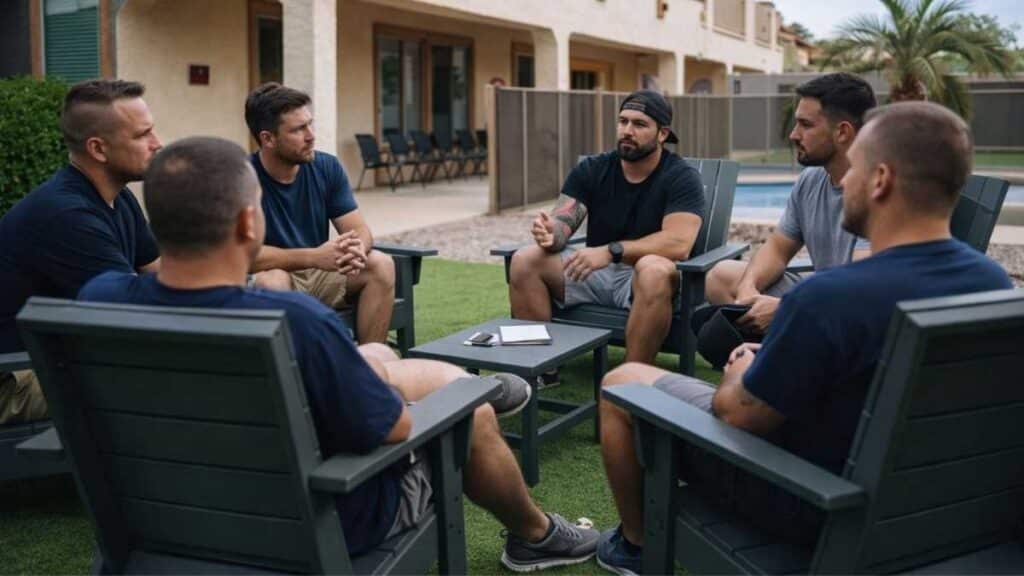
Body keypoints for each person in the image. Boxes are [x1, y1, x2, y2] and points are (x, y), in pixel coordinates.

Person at [78, 137, 600, 571]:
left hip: (167, 513)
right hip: (307, 523)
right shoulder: (294, 321)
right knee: (471, 415)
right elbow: (394, 432)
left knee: (374, 354)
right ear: (246, 226)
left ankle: (417, 374)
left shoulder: (99, 298)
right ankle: (532, 531)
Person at [595, 101, 1013, 574]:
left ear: (880, 180)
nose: (844, 184)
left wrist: (742, 371)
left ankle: (634, 545)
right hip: (930, 508)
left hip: (818, 504)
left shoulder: (826, 299)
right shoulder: (994, 285)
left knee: (623, 382)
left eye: (852, 170)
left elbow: (736, 415)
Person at [507, 89, 705, 376]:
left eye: (639, 124)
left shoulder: (681, 176)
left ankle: (631, 378)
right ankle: (541, 370)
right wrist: (552, 234)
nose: (627, 131)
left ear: (662, 134)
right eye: (623, 121)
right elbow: (563, 219)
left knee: (654, 269)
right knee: (525, 259)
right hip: (593, 273)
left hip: (643, 277)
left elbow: (679, 243)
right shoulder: (593, 168)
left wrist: (611, 251)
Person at [0, 79, 162, 424]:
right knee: (162, 379)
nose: (157, 143)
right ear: (98, 149)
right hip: (15, 377)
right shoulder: (67, 215)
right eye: (141, 135)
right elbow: (135, 309)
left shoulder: (118, 197)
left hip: (54, 358)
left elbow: (158, 270)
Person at [705, 73, 877, 335]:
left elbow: (858, 286)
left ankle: (781, 354)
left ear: (842, 132)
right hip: (822, 296)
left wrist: (786, 307)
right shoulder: (811, 179)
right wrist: (748, 287)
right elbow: (776, 248)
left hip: (855, 312)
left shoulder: (877, 189)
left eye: (805, 125)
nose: (793, 135)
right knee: (721, 276)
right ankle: (774, 350)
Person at [244, 82, 395, 344]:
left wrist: (354, 249)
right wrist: (315, 256)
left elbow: (358, 229)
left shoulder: (326, 166)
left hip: (321, 272)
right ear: (268, 138)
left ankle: (371, 362)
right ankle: (294, 377)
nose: (311, 135)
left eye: (309, 124)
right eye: (298, 129)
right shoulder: (242, 178)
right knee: (272, 283)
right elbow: (246, 257)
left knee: (380, 264)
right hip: (273, 274)